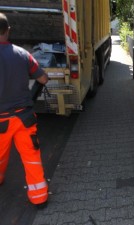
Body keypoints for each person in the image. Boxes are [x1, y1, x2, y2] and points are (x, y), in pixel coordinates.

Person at [0, 13, 49, 208]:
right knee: (31, 158)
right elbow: (43, 79)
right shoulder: (22, 54)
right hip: (23, 118)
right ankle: (39, 198)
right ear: (8, 30)